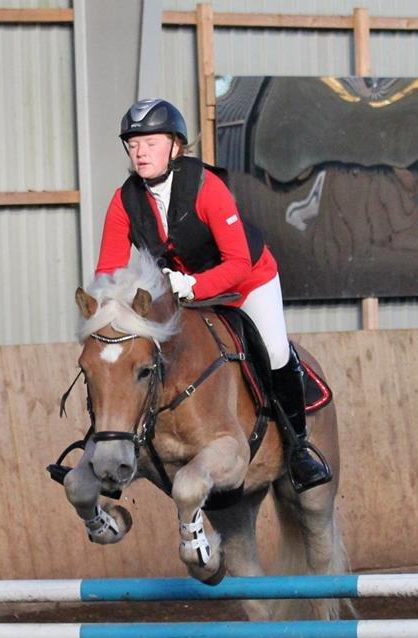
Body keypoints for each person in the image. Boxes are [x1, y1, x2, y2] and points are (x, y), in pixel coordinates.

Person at [95, 98, 331, 492]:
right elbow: (108, 272)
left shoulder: (207, 187)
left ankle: (298, 448)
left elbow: (238, 261)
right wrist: (106, 314)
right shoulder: (124, 201)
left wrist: (196, 286)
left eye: (150, 143)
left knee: (273, 352)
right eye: (133, 144)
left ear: (175, 146)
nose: (140, 152)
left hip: (246, 283)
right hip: (185, 295)